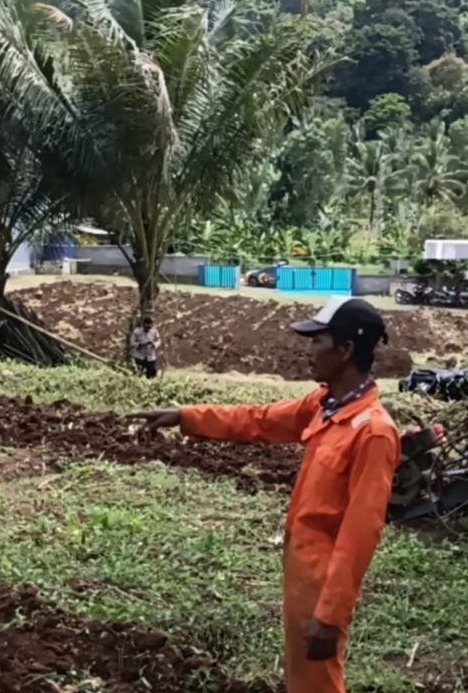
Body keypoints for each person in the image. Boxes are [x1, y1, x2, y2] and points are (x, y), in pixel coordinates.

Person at [126, 296, 399, 693]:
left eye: (317, 341)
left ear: (345, 350)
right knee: (302, 679)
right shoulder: (323, 405)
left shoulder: (373, 432)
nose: (309, 350)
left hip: (322, 583)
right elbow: (258, 420)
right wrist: (186, 416)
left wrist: (331, 615)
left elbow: (360, 535)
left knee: (318, 685)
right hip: (300, 571)